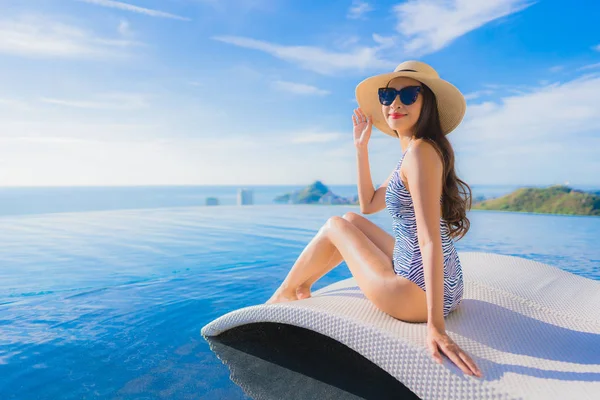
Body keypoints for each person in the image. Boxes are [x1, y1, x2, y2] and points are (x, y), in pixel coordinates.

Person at [266, 60, 482, 378]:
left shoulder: (420, 153)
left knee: (334, 226)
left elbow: (428, 239)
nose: (395, 102)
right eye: (388, 95)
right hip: (445, 286)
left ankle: (283, 293)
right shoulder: (417, 151)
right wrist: (360, 147)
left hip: (415, 296)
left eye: (409, 95)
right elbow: (367, 205)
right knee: (350, 218)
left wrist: (435, 327)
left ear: (428, 104)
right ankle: (305, 284)